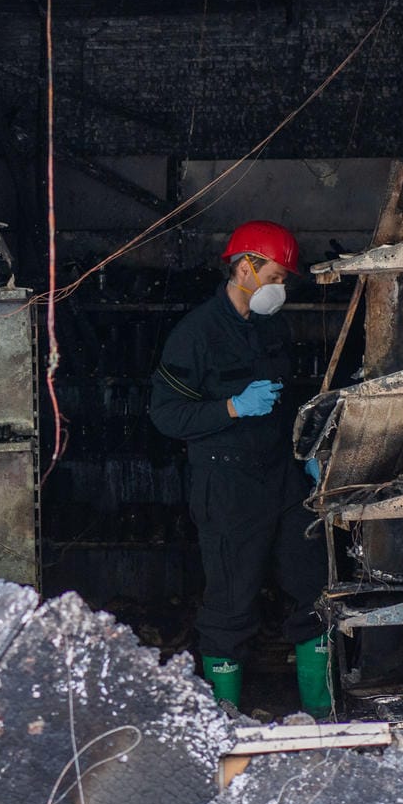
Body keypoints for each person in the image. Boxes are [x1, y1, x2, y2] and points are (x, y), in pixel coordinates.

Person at [148, 220, 331, 717]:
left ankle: (321, 716)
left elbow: (290, 397)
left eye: (284, 279)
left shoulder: (273, 326)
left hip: (283, 477)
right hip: (226, 483)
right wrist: (230, 408)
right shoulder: (196, 334)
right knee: (231, 601)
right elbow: (164, 415)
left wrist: (308, 448)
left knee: (313, 590)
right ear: (245, 267)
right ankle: (224, 722)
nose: (281, 287)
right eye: (275, 276)